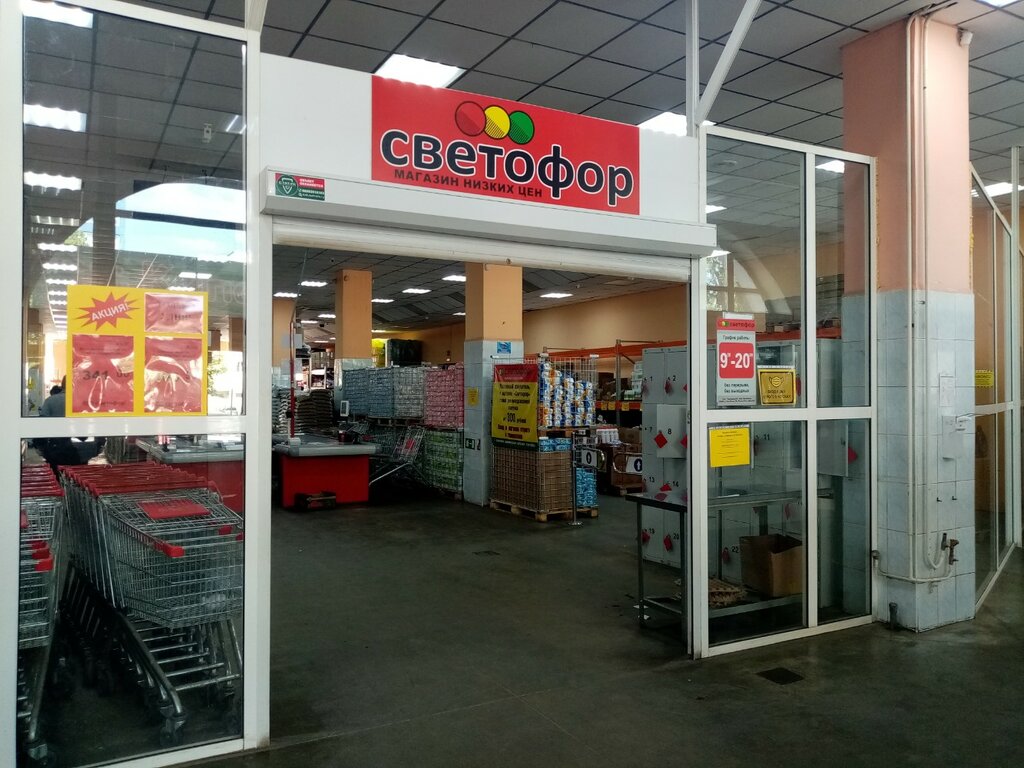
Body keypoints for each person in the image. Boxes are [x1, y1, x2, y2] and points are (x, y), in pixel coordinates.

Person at [38, 377, 78, 471]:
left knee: (55, 474)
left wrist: (41, 447)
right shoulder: (81, 402)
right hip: (77, 447)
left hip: (55, 447)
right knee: (78, 475)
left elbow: (42, 424)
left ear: (62, 385)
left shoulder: (50, 401)